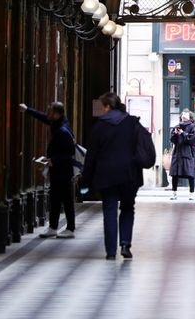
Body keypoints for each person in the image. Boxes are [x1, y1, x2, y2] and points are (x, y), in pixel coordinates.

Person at [81, 92, 144, 260]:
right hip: (129, 174)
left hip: (106, 174)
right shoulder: (133, 123)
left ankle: (110, 251)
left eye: (102, 107)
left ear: (107, 107)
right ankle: (125, 243)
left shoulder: (99, 126)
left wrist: (85, 180)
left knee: (109, 210)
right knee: (127, 208)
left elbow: (91, 156)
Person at [20, 101, 77, 238]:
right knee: (55, 199)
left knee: (67, 200)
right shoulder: (57, 123)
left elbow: (70, 151)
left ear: (57, 114)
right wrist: (27, 110)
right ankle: (53, 227)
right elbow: (43, 117)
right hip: (57, 170)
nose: (48, 114)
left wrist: (53, 160)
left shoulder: (63, 130)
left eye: (50, 111)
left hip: (63, 171)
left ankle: (70, 228)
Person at [168, 109, 195, 200]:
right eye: (183, 113)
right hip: (177, 152)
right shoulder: (177, 126)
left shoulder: (193, 126)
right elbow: (172, 140)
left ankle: (191, 194)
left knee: (190, 174)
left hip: (188, 153)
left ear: (190, 116)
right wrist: (175, 134)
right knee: (175, 174)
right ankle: (174, 193)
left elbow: (192, 140)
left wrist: (183, 133)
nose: (184, 114)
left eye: (186, 113)